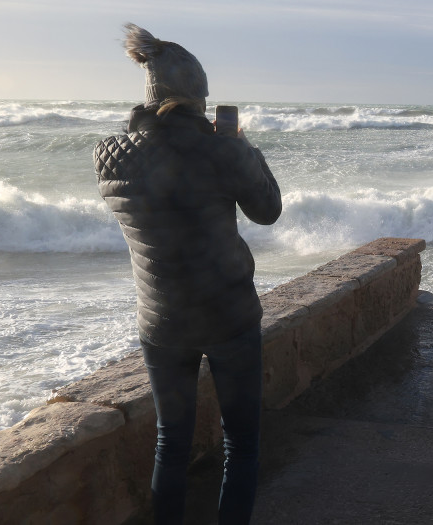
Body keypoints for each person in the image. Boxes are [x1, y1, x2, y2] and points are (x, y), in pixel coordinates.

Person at [93, 23, 281, 525]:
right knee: (241, 446)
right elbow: (267, 209)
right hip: (229, 317)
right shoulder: (221, 149)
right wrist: (243, 146)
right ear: (199, 97)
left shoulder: (109, 157)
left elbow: (162, 195)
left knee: (170, 445)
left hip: (161, 321)